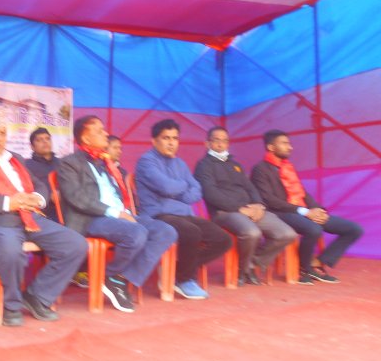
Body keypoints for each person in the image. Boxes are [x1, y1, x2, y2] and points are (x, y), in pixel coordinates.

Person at [0, 107, 87, 326]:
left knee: (76, 244)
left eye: (2, 133)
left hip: (29, 218)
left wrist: (37, 198)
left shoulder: (15, 159)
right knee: (10, 249)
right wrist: (9, 202)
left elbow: (39, 184)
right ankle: (11, 305)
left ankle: (37, 296)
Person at [57, 116, 177, 311]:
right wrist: (115, 212)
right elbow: (77, 197)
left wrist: (124, 211)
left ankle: (118, 277)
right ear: (85, 139)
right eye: (99, 131)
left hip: (120, 215)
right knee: (136, 232)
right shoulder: (69, 163)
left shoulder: (105, 162)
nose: (105, 133)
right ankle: (112, 276)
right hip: (92, 218)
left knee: (166, 231)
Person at [135, 119, 232, 299]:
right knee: (191, 232)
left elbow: (196, 191)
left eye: (175, 138)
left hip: (183, 214)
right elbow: (167, 187)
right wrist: (183, 186)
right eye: (166, 138)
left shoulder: (180, 163)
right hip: (158, 215)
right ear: (154, 141)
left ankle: (177, 269)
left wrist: (178, 189)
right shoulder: (147, 161)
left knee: (223, 239)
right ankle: (184, 280)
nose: (171, 143)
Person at [251, 129, 364, 284]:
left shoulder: (287, 167)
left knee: (354, 229)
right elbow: (268, 200)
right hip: (280, 213)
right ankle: (305, 269)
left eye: (289, 143)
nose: (290, 147)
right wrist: (305, 212)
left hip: (302, 212)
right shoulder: (260, 169)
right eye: (284, 143)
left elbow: (302, 193)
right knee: (313, 229)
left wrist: (319, 210)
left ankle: (318, 262)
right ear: (271, 147)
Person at [194, 126, 296, 285]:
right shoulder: (203, 166)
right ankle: (243, 271)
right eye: (216, 140)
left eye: (225, 141)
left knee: (287, 234)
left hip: (250, 209)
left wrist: (259, 205)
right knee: (252, 232)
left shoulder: (235, 164)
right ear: (207, 143)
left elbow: (250, 187)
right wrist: (239, 209)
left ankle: (250, 265)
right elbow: (210, 193)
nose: (221, 144)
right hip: (224, 212)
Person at [25, 127, 61, 222]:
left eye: (47, 139)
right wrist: (49, 196)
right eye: (39, 140)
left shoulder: (62, 163)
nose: (45, 142)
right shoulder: (26, 166)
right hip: (41, 212)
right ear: (32, 146)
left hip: (65, 209)